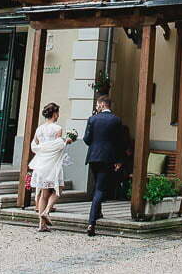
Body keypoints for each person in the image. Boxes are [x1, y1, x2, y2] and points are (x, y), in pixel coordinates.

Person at [82, 95, 123, 237]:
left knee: (97, 186)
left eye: (97, 105)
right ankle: (91, 222)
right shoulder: (116, 120)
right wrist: (119, 160)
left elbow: (87, 139)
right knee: (100, 188)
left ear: (102, 105)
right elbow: (119, 142)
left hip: (93, 157)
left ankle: (97, 213)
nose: (96, 107)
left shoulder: (92, 119)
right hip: (108, 157)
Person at [28, 102, 73, 232]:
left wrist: (43, 149)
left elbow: (35, 146)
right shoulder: (57, 129)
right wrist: (67, 141)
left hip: (41, 163)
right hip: (53, 163)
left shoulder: (39, 129)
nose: (58, 115)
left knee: (43, 193)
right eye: (57, 113)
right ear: (54, 114)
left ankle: (41, 225)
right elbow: (58, 145)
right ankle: (47, 211)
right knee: (59, 189)